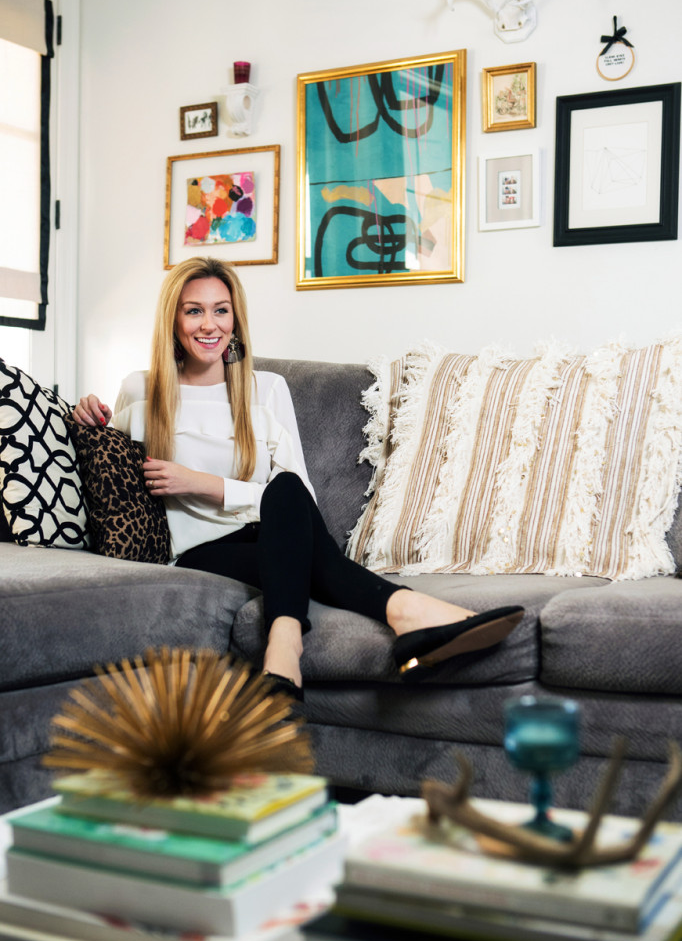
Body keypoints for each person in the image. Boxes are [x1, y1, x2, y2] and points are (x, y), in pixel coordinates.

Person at [73, 257, 524, 700]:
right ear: (173, 320)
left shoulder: (265, 388)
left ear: (235, 319)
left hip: (271, 537)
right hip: (197, 553)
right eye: (194, 311)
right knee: (309, 553)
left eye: (221, 310)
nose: (209, 325)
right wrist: (84, 420)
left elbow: (300, 498)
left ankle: (284, 647)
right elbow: (116, 480)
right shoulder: (142, 389)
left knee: (286, 489)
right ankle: (409, 611)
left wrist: (204, 484)